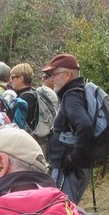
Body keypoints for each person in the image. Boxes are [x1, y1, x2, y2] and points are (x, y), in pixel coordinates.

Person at [42, 53, 93, 205]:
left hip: (69, 168)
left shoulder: (71, 96)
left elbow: (85, 125)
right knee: (67, 209)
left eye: (54, 74)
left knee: (62, 209)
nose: (52, 79)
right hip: (75, 166)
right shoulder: (79, 92)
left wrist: (74, 157)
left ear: (68, 75)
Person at [5, 63, 38, 134]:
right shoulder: (35, 93)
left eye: (12, 77)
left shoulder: (24, 98)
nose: (10, 81)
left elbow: (17, 125)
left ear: (21, 78)